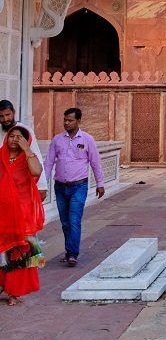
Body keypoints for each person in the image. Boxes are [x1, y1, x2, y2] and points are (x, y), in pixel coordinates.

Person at [43, 108, 105, 267]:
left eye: (70, 120)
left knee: (74, 220)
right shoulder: (57, 140)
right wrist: (42, 184)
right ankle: (69, 250)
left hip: (79, 186)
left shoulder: (87, 139)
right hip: (61, 187)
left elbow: (95, 162)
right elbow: (49, 162)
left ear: (78, 121)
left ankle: (72, 254)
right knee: (65, 222)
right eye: (65, 120)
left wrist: (100, 184)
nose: (66, 123)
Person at [0, 125, 45, 305]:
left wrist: (27, 149)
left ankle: (14, 292)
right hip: (2, 212)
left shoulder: (27, 158)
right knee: (2, 249)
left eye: (19, 137)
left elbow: (36, 172)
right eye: (12, 136)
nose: (14, 139)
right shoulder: (0, 156)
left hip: (22, 215)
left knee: (17, 252)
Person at [0, 99, 45, 197]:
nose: (5, 119)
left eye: (8, 115)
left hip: (21, 188)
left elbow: (36, 156)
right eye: (1, 116)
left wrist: (42, 186)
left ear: (14, 112)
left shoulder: (24, 131)